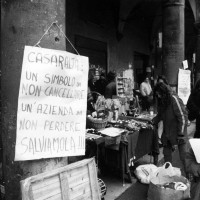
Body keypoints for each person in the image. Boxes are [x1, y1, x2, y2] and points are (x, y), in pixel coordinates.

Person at [152, 82, 188, 173]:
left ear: (164, 92)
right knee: (166, 155)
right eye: (157, 95)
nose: (158, 96)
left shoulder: (174, 99)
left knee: (184, 157)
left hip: (179, 133)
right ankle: (168, 174)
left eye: (159, 94)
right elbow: (160, 115)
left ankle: (189, 176)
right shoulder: (162, 102)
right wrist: (153, 121)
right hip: (167, 133)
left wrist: (181, 134)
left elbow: (183, 117)